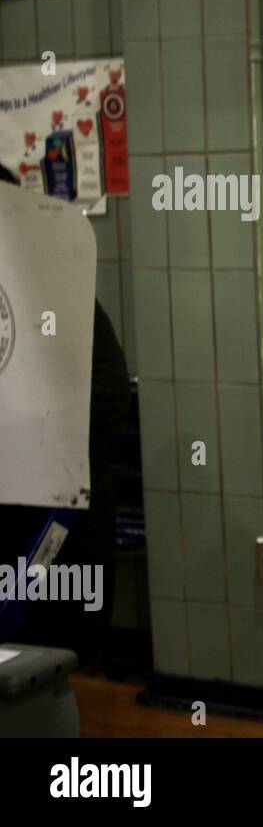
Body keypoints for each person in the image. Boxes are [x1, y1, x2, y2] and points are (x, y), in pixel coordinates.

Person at [0, 164, 129, 668]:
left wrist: (33, 443)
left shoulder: (58, 289)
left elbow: (110, 394)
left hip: (58, 521)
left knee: (54, 670)